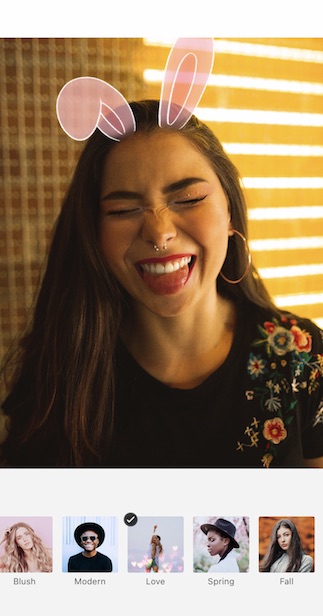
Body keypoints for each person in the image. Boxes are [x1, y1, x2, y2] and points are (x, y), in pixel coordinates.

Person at [1, 99, 322, 467]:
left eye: (188, 199)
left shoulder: (302, 360)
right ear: (94, 232)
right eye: (123, 210)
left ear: (230, 211)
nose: (159, 233)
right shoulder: (59, 374)